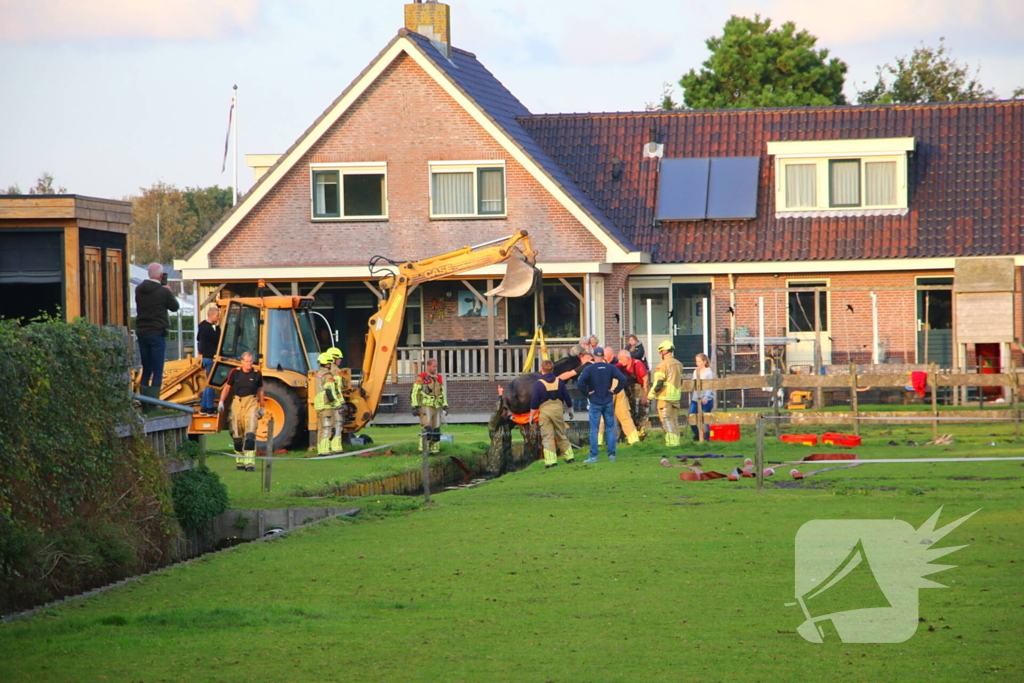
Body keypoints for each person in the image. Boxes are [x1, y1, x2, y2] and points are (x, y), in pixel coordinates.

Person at [134, 263, 180, 389]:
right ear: (160, 276)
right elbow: (175, 307)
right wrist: (169, 292)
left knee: (146, 369)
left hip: (142, 332)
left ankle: (144, 401)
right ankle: (154, 401)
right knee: (157, 370)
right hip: (157, 332)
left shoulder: (138, 289)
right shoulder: (163, 292)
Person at [218, 351, 265, 471]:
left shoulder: (257, 373)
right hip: (237, 403)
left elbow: (260, 390)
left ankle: (250, 463)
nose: (249, 364)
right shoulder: (235, 372)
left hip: (251, 402)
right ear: (242, 361)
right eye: (247, 361)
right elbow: (228, 387)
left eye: (251, 361)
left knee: (250, 434)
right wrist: (221, 401)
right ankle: (239, 462)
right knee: (237, 434)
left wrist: (262, 406)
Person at [577, 352, 627, 463]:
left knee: (594, 430)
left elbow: (580, 383)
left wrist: (587, 393)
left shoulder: (589, 369)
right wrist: (615, 390)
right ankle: (612, 456)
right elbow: (622, 379)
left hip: (595, 402)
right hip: (608, 400)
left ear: (593, 357)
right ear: (603, 356)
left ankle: (593, 456)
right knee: (610, 428)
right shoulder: (610, 368)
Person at [528, 359, 575, 468]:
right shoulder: (559, 381)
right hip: (558, 410)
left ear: (542, 370)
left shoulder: (538, 384)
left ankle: (551, 461)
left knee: (547, 436)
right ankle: (569, 457)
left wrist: (531, 416)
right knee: (561, 433)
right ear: (552, 370)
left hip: (545, 411)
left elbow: (534, 402)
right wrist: (570, 409)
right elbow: (566, 397)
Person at [648, 340, 684, 447]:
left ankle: (671, 444)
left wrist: (650, 396)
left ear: (664, 351)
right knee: (674, 420)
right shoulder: (679, 364)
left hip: (665, 397)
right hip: (676, 397)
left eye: (660, 352)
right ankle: (675, 443)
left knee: (666, 421)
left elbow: (659, 383)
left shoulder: (662, 365)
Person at [411, 357, 448, 454]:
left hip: (437, 406)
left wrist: (445, 404)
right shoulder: (422, 377)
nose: (435, 368)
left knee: (436, 429)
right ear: (428, 366)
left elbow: (442, 392)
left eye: (436, 366)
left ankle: (435, 450)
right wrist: (414, 406)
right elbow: (415, 391)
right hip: (426, 405)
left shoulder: (438, 377)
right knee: (427, 428)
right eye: (433, 366)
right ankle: (423, 450)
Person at [616, 349, 649, 444]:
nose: (619, 361)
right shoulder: (621, 366)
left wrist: (645, 395)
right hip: (629, 391)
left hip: (639, 389)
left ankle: (641, 434)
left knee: (640, 413)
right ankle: (629, 436)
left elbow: (645, 379)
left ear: (627, 358)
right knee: (630, 412)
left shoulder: (637, 364)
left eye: (621, 359)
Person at [313, 352, 342, 456]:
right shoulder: (327, 375)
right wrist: (337, 404)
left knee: (321, 429)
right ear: (328, 364)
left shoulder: (318, 374)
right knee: (327, 428)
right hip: (326, 406)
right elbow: (330, 392)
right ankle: (325, 450)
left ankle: (321, 449)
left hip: (319, 406)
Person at [196, 306, 221, 415]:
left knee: (208, 384)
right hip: (210, 358)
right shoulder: (208, 328)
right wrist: (218, 327)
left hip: (205, 358)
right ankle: (209, 407)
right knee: (211, 384)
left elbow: (198, 338)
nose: (218, 317)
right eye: (217, 315)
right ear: (211, 315)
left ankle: (204, 407)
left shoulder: (202, 326)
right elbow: (217, 338)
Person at [689, 353, 715, 441]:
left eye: (699, 361)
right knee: (691, 417)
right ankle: (698, 435)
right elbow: (693, 384)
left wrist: (706, 397)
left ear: (704, 361)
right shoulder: (695, 372)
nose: (697, 363)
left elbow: (710, 385)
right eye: (696, 361)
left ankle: (706, 439)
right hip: (695, 399)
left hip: (706, 399)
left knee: (704, 419)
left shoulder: (708, 372)